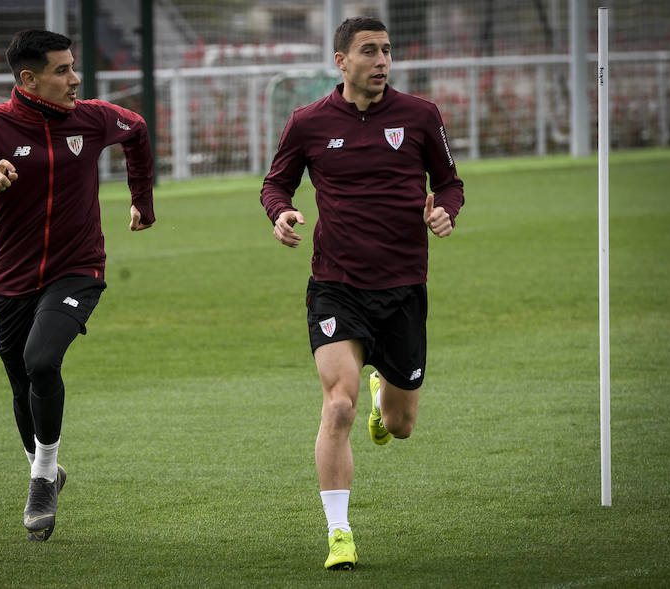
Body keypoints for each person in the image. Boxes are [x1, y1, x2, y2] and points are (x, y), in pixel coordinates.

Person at [260, 16, 464, 570]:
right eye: (369, 51)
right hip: (336, 286)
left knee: (400, 426)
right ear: (341, 61)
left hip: (403, 289)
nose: (381, 61)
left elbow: (449, 182)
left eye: (386, 51)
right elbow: (276, 183)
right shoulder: (308, 122)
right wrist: (281, 213)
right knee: (338, 405)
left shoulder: (420, 115)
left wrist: (445, 210)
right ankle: (339, 533)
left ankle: (384, 396)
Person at [0, 29, 155, 542]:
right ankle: (46, 469)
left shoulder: (94, 118)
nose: (75, 78)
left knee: (41, 360)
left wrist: (141, 200)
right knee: (22, 382)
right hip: (12, 280)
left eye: (73, 66)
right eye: (62, 70)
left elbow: (138, 130)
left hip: (78, 268)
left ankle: (40, 479)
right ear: (29, 79)